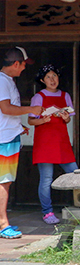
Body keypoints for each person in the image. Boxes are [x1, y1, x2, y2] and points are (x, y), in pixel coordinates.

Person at [0, 47, 44, 240]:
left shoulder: (6, 81)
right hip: (4, 139)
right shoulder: (2, 82)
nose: (24, 68)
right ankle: (3, 224)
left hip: (8, 135)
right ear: (16, 63)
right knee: (4, 182)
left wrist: (19, 127)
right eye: (24, 64)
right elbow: (6, 108)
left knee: (5, 181)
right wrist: (31, 109)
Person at [27, 64, 77, 225]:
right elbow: (30, 120)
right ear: (42, 80)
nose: (52, 79)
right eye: (48, 77)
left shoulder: (65, 95)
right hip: (45, 142)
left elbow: (69, 118)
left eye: (54, 76)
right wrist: (43, 120)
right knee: (46, 178)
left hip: (62, 141)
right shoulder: (39, 97)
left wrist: (65, 117)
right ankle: (47, 212)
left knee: (75, 173)